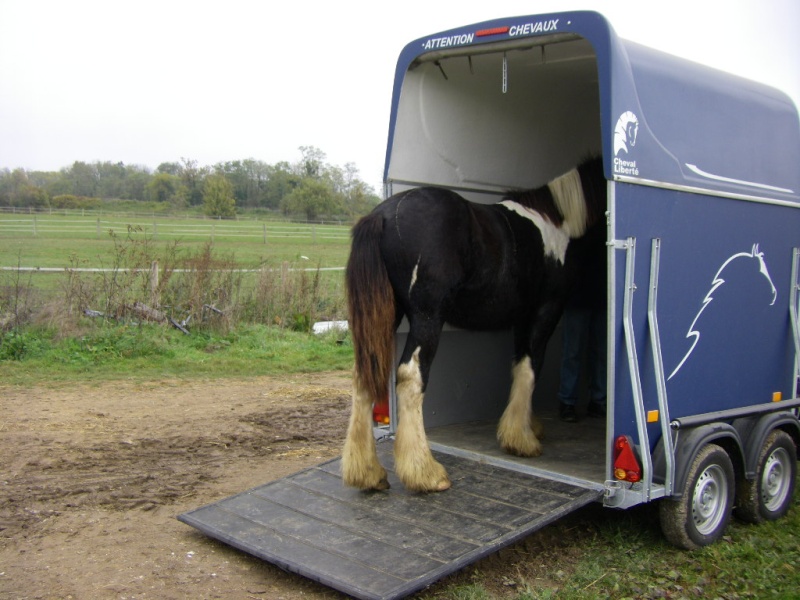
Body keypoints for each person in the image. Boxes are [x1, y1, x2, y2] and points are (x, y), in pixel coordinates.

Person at [558, 223, 607, 422]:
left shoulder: (588, 225)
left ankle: (576, 401)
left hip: (594, 295)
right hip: (583, 296)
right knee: (577, 352)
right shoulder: (580, 225)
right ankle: (574, 401)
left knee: (586, 352)